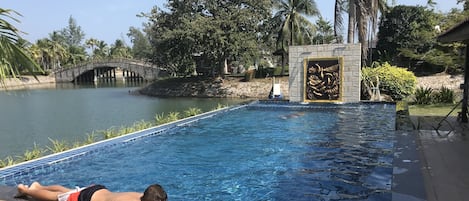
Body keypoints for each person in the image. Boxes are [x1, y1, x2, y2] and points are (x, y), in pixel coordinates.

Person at [15, 181, 167, 201]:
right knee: (57, 197)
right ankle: (27, 190)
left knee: (66, 191)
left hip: (98, 189)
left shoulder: (139, 195)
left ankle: (38, 186)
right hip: (85, 198)